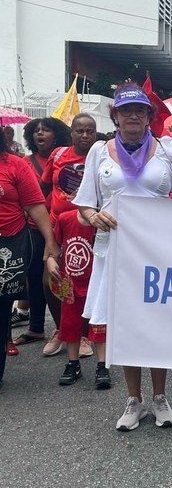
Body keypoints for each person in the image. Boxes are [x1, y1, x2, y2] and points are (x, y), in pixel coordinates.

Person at [74, 83, 172, 431]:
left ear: (150, 116)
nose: (133, 116)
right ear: (115, 116)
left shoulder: (167, 148)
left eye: (140, 110)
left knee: (158, 324)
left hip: (159, 251)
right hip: (116, 251)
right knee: (124, 326)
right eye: (126, 111)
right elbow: (83, 207)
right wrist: (93, 217)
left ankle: (160, 397)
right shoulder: (99, 151)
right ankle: (133, 400)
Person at [0, 131, 59, 386]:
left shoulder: (15, 164)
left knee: (2, 308)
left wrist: (50, 242)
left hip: (9, 246)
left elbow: (36, 205)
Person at [39, 113, 99, 358]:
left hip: (89, 229)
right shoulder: (57, 155)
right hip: (56, 229)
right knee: (50, 281)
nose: (84, 135)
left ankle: (83, 333)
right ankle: (62, 330)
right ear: (71, 132)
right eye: (79, 130)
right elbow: (44, 187)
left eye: (90, 131)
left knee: (86, 284)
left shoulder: (101, 156)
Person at [12, 117, 70, 346]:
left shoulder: (64, 157)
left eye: (46, 130)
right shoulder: (24, 162)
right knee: (35, 278)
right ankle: (36, 327)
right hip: (35, 229)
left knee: (65, 278)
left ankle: (68, 327)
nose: (40, 134)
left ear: (56, 134)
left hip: (63, 225)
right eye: (36, 131)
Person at [47, 208, 109, 389]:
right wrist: (51, 259)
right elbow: (56, 246)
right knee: (69, 323)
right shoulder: (65, 219)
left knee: (98, 323)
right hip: (70, 282)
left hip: (95, 281)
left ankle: (102, 365)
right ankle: (73, 364)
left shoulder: (104, 222)